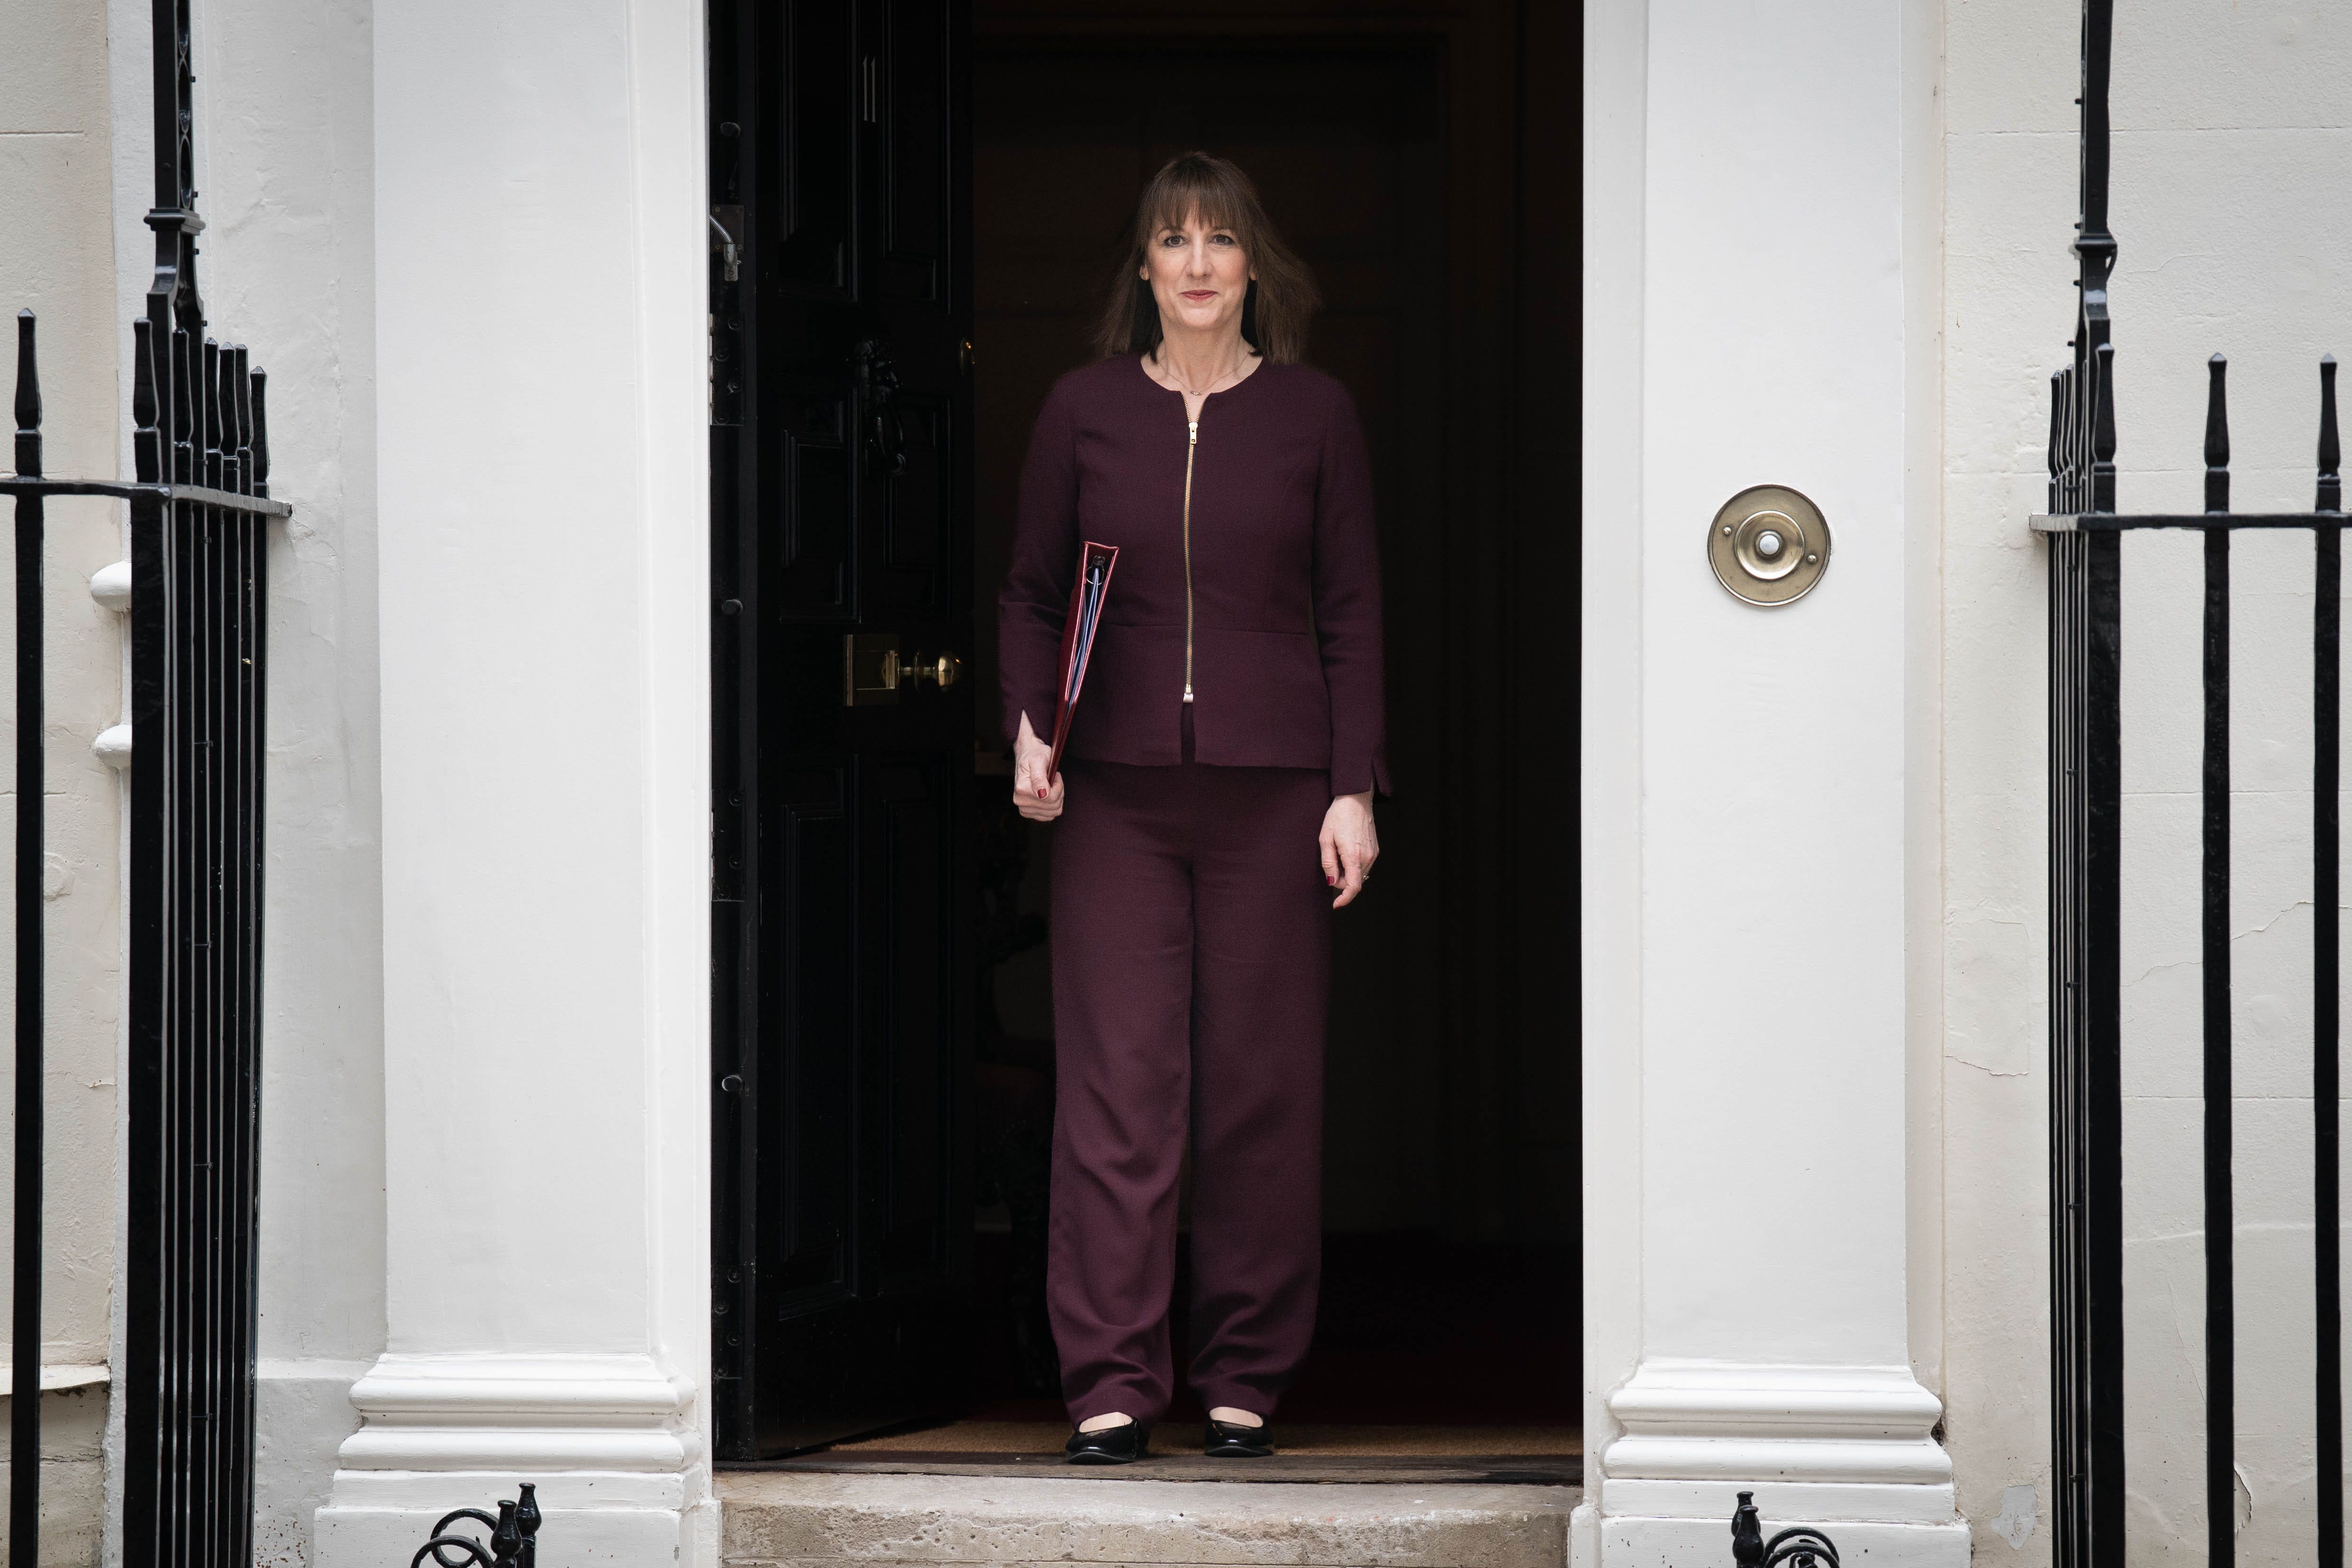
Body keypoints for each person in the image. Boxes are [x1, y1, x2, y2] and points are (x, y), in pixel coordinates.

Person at [997, 151, 1388, 1465]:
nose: (1203, 263)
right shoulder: (1081, 412)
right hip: (1114, 797)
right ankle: (1110, 1378)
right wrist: (1028, 728)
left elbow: (1352, 611)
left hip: (1276, 797)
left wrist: (1352, 788)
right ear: (1146, 270)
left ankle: (1243, 1375)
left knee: (1258, 1091)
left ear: (1253, 265)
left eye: (1223, 239)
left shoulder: (1317, 416)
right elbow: (1030, 592)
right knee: (1118, 1086)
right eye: (1177, 241)